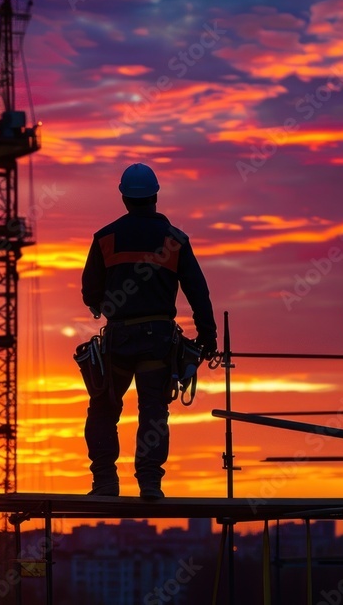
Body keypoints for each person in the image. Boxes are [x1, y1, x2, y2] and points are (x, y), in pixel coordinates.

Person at [80, 163, 216, 500]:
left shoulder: (105, 238)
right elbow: (198, 291)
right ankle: (150, 484)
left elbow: (89, 290)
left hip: (119, 340)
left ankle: (105, 482)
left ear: (125, 198)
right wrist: (208, 337)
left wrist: (100, 304)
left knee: (103, 410)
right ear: (155, 196)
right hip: (158, 341)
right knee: (154, 411)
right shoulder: (175, 240)